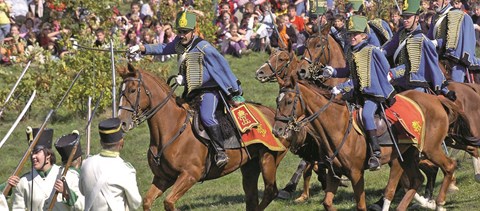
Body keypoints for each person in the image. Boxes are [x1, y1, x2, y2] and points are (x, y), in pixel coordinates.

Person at [129, 9, 244, 167]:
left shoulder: (204, 48)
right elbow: (163, 48)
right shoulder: (179, 44)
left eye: (185, 32)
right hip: (191, 91)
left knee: (206, 116)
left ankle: (220, 151)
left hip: (209, 90)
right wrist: (141, 48)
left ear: (193, 31)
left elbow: (221, 67)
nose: (181, 35)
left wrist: (186, 78)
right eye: (179, 32)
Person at [322, 15, 396, 171]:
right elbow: (349, 71)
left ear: (364, 36)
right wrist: (333, 72)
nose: (351, 37)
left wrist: (341, 87)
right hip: (357, 94)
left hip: (372, 94)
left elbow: (365, 78)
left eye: (355, 34)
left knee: (367, 115)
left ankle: (375, 152)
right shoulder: (350, 52)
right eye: (349, 34)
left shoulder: (371, 51)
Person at [382, 0, 456, 101]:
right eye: (404, 17)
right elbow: (389, 48)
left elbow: (411, 67)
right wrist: (377, 53)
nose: (405, 20)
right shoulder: (401, 33)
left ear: (416, 18)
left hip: (416, 84)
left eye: (408, 17)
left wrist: (391, 74)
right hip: (400, 81)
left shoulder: (420, 39)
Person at [8, 127, 83, 210]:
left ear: (48, 155)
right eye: (32, 153)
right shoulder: (24, 182)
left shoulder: (69, 176)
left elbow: (81, 206)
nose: (33, 156)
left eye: (37, 152)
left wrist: (66, 192)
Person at [80, 118, 142, 210]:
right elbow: (135, 203)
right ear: (121, 142)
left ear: (101, 142)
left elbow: (82, 191)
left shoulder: (86, 164)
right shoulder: (125, 170)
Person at [427, 0, 479, 82]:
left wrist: (437, 42)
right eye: (432, 1)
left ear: (446, 1)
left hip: (455, 59)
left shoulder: (459, 15)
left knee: (455, 86)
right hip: (438, 57)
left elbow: (455, 40)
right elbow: (429, 37)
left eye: (436, 1)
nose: (434, 3)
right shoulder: (435, 17)